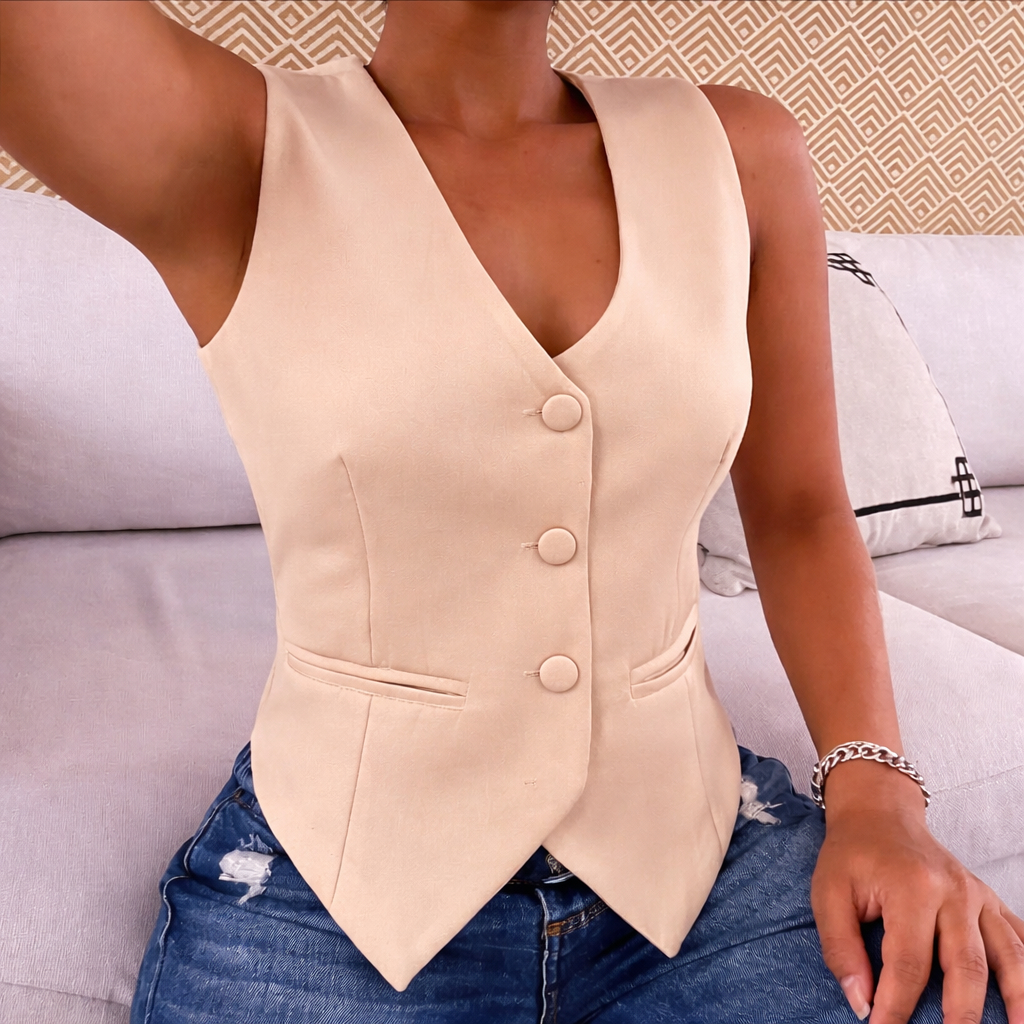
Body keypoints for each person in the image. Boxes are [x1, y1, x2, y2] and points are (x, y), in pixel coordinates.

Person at [1, 2, 1021, 1022]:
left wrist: (877, 792)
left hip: (709, 865)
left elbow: (798, 509)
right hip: (332, 897)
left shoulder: (739, 151)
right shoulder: (237, 148)